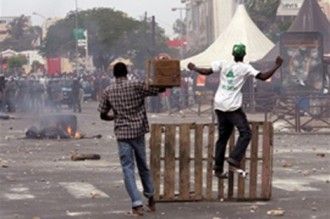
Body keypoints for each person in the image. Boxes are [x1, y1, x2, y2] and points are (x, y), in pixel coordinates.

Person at [187, 43, 283, 178]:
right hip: (232, 107)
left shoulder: (224, 63)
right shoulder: (245, 67)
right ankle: (234, 159)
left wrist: (194, 67)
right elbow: (263, 77)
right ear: (244, 55)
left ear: (232, 54)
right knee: (246, 133)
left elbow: (206, 72)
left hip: (219, 105)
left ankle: (218, 169)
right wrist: (277, 65)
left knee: (223, 137)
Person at [98, 62, 165, 216]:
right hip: (138, 132)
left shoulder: (109, 90)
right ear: (127, 72)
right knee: (143, 166)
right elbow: (157, 90)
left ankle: (137, 204)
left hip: (122, 134)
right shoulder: (136, 85)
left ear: (114, 75)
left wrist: (114, 116)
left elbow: (102, 114)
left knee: (128, 169)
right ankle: (151, 197)